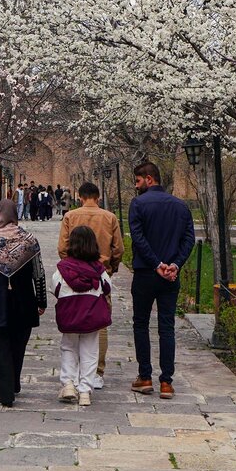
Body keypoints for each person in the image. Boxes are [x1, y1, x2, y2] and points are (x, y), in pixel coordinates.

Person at [0, 199, 47, 407]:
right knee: (18, 344)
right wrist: (42, 301)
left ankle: (5, 393)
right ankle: (13, 383)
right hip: (24, 300)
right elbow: (38, 273)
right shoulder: (29, 239)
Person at [127, 161, 194, 400]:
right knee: (167, 327)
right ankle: (166, 382)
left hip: (146, 273)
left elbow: (138, 239)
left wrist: (157, 265)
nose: (136, 186)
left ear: (149, 178)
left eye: (138, 181)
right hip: (170, 277)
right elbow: (189, 240)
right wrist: (174, 264)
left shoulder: (138, 204)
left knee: (141, 324)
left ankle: (145, 377)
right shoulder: (180, 206)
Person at [58, 181, 123, 389]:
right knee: (99, 322)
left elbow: (62, 248)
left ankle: (73, 372)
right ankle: (96, 372)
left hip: (73, 276)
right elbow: (118, 249)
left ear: (80, 197)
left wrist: (71, 266)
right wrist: (110, 268)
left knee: (73, 321)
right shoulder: (109, 217)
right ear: (98, 197)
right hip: (99, 274)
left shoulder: (70, 216)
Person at [52, 225, 113, 406]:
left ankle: (69, 384)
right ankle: (85, 390)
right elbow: (107, 287)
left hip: (69, 314)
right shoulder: (98, 269)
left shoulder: (63, 268)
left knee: (68, 348)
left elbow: (54, 288)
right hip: (91, 315)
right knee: (90, 351)